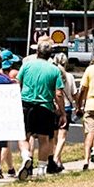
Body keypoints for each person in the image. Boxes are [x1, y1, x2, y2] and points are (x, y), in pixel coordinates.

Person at [16, 38, 67, 179]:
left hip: (26, 104)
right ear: (50, 54)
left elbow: (17, 83)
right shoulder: (54, 70)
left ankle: (26, 156)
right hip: (45, 107)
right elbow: (58, 93)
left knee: (23, 136)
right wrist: (62, 113)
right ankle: (41, 169)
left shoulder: (26, 65)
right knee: (44, 139)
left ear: (37, 52)